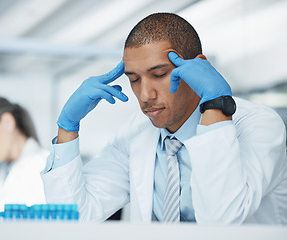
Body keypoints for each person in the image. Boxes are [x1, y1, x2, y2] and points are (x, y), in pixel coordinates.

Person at [40, 13, 287, 224]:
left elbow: (221, 222)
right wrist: (67, 127)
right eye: (134, 79)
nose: (146, 95)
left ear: (199, 67)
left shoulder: (259, 125)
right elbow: (75, 216)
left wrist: (215, 105)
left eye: (159, 74)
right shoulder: (134, 134)